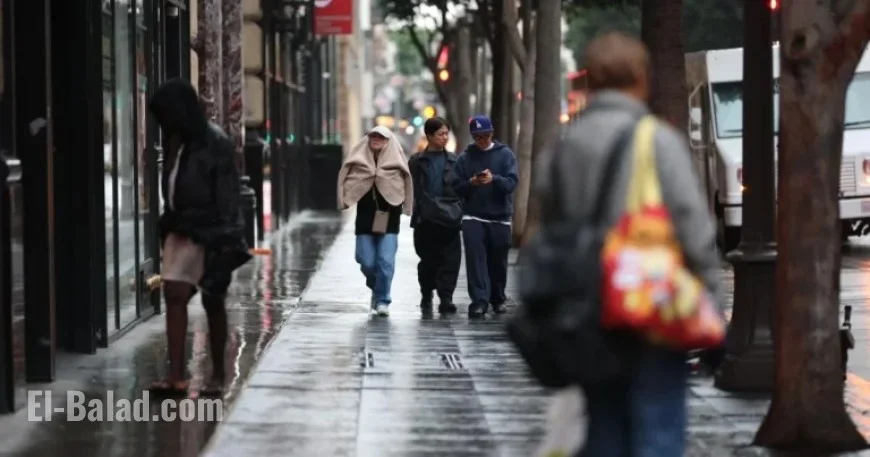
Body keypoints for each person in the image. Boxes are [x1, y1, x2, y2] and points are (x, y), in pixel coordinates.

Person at [533, 32, 722, 456]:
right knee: (657, 428)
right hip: (650, 310)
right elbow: (694, 230)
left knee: (603, 430)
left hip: (588, 313)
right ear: (642, 78)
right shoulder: (657, 141)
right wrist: (711, 303)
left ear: (590, 83)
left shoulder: (563, 150)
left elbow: (549, 232)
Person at [148, 78, 252, 398]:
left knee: (212, 300)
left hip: (210, 232)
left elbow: (228, 198)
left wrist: (225, 239)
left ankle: (218, 375)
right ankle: (176, 376)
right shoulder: (175, 142)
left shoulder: (216, 144)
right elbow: (175, 183)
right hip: (181, 229)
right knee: (174, 295)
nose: (162, 122)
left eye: (165, 114)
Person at [338, 126, 413, 317]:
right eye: (373, 136)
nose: (376, 139)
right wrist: (343, 199)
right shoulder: (359, 160)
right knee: (365, 260)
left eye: (381, 137)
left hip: (389, 217)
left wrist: (408, 207)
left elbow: (407, 183)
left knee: (386, 261)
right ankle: (377, 286)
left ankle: (382, 300)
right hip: (365, 218)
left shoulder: (397, 161)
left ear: (388, 141)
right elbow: (346, 177)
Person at [453, 115, 519, 318]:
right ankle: (479, 300)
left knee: (498, 260)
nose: (482, 140)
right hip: (473, 216)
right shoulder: (465, 158)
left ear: (492, 133)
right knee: (476, 260)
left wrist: (494, 179)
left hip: (500, 217)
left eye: (486, 135)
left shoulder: (506, 155)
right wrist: (471, 183)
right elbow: (455, 187)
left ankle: (498, 298)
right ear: (473, 137)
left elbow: (511, 183)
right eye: (478, 137)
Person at [408, 117, 463, 314]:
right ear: (429, 136)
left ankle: (446, 298)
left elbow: (460, 188)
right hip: (426, 220)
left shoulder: (455, 160)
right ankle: (426, 294)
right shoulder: (416, 161)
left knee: (451, 259)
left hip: (449, 218)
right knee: (428, 260)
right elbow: (409, 187)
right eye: (440, 134)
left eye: (447, 133)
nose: (445, 137)